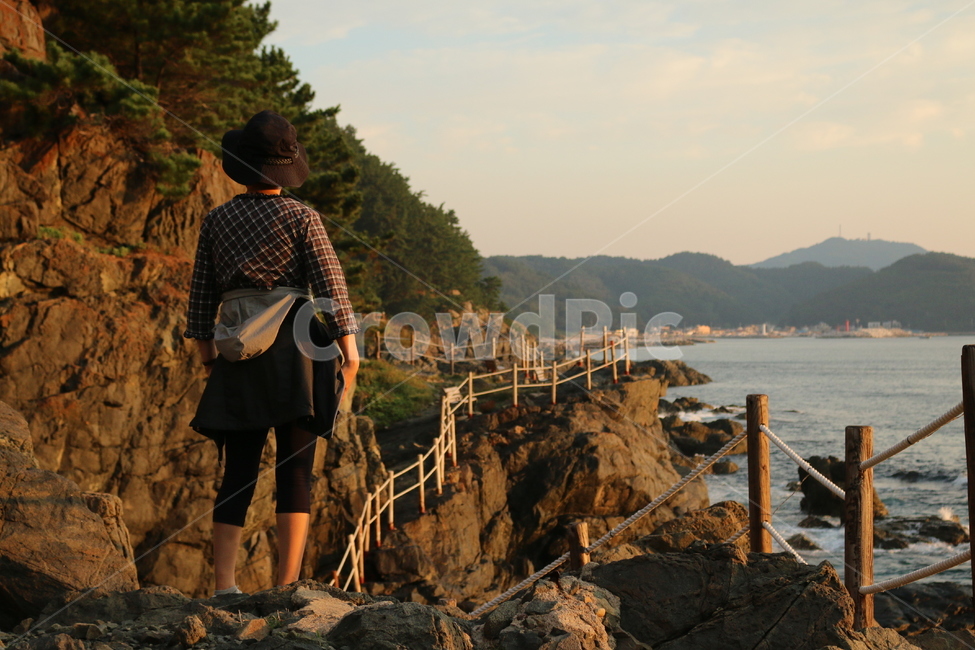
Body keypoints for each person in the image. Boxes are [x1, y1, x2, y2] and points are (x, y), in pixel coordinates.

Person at [183, 110, 360, 596]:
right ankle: (286, 586)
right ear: (287, 166)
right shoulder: (302, 217)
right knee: (295, 469)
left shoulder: (217, 220)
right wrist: (350, 350)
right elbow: (330, 286)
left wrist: (208, 357)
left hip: (238, 348)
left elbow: (201, 296)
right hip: (299, 349)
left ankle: (224, 586)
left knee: (237, 470)